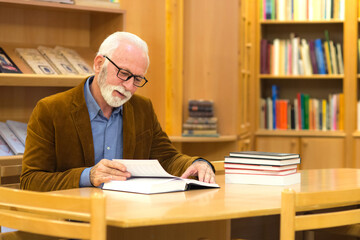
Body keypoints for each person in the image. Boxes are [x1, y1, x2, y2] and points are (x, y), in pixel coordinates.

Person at [20, 32, 215, 191]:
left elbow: (167, 158)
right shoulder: (51, 110)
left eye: (138, 79)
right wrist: (88, 176)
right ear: (98, 64)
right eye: (123, 73)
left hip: (127, 217)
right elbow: (31, 180)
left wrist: (197, 163)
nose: (129, 86)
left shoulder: (142, 108)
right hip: (72, 221)